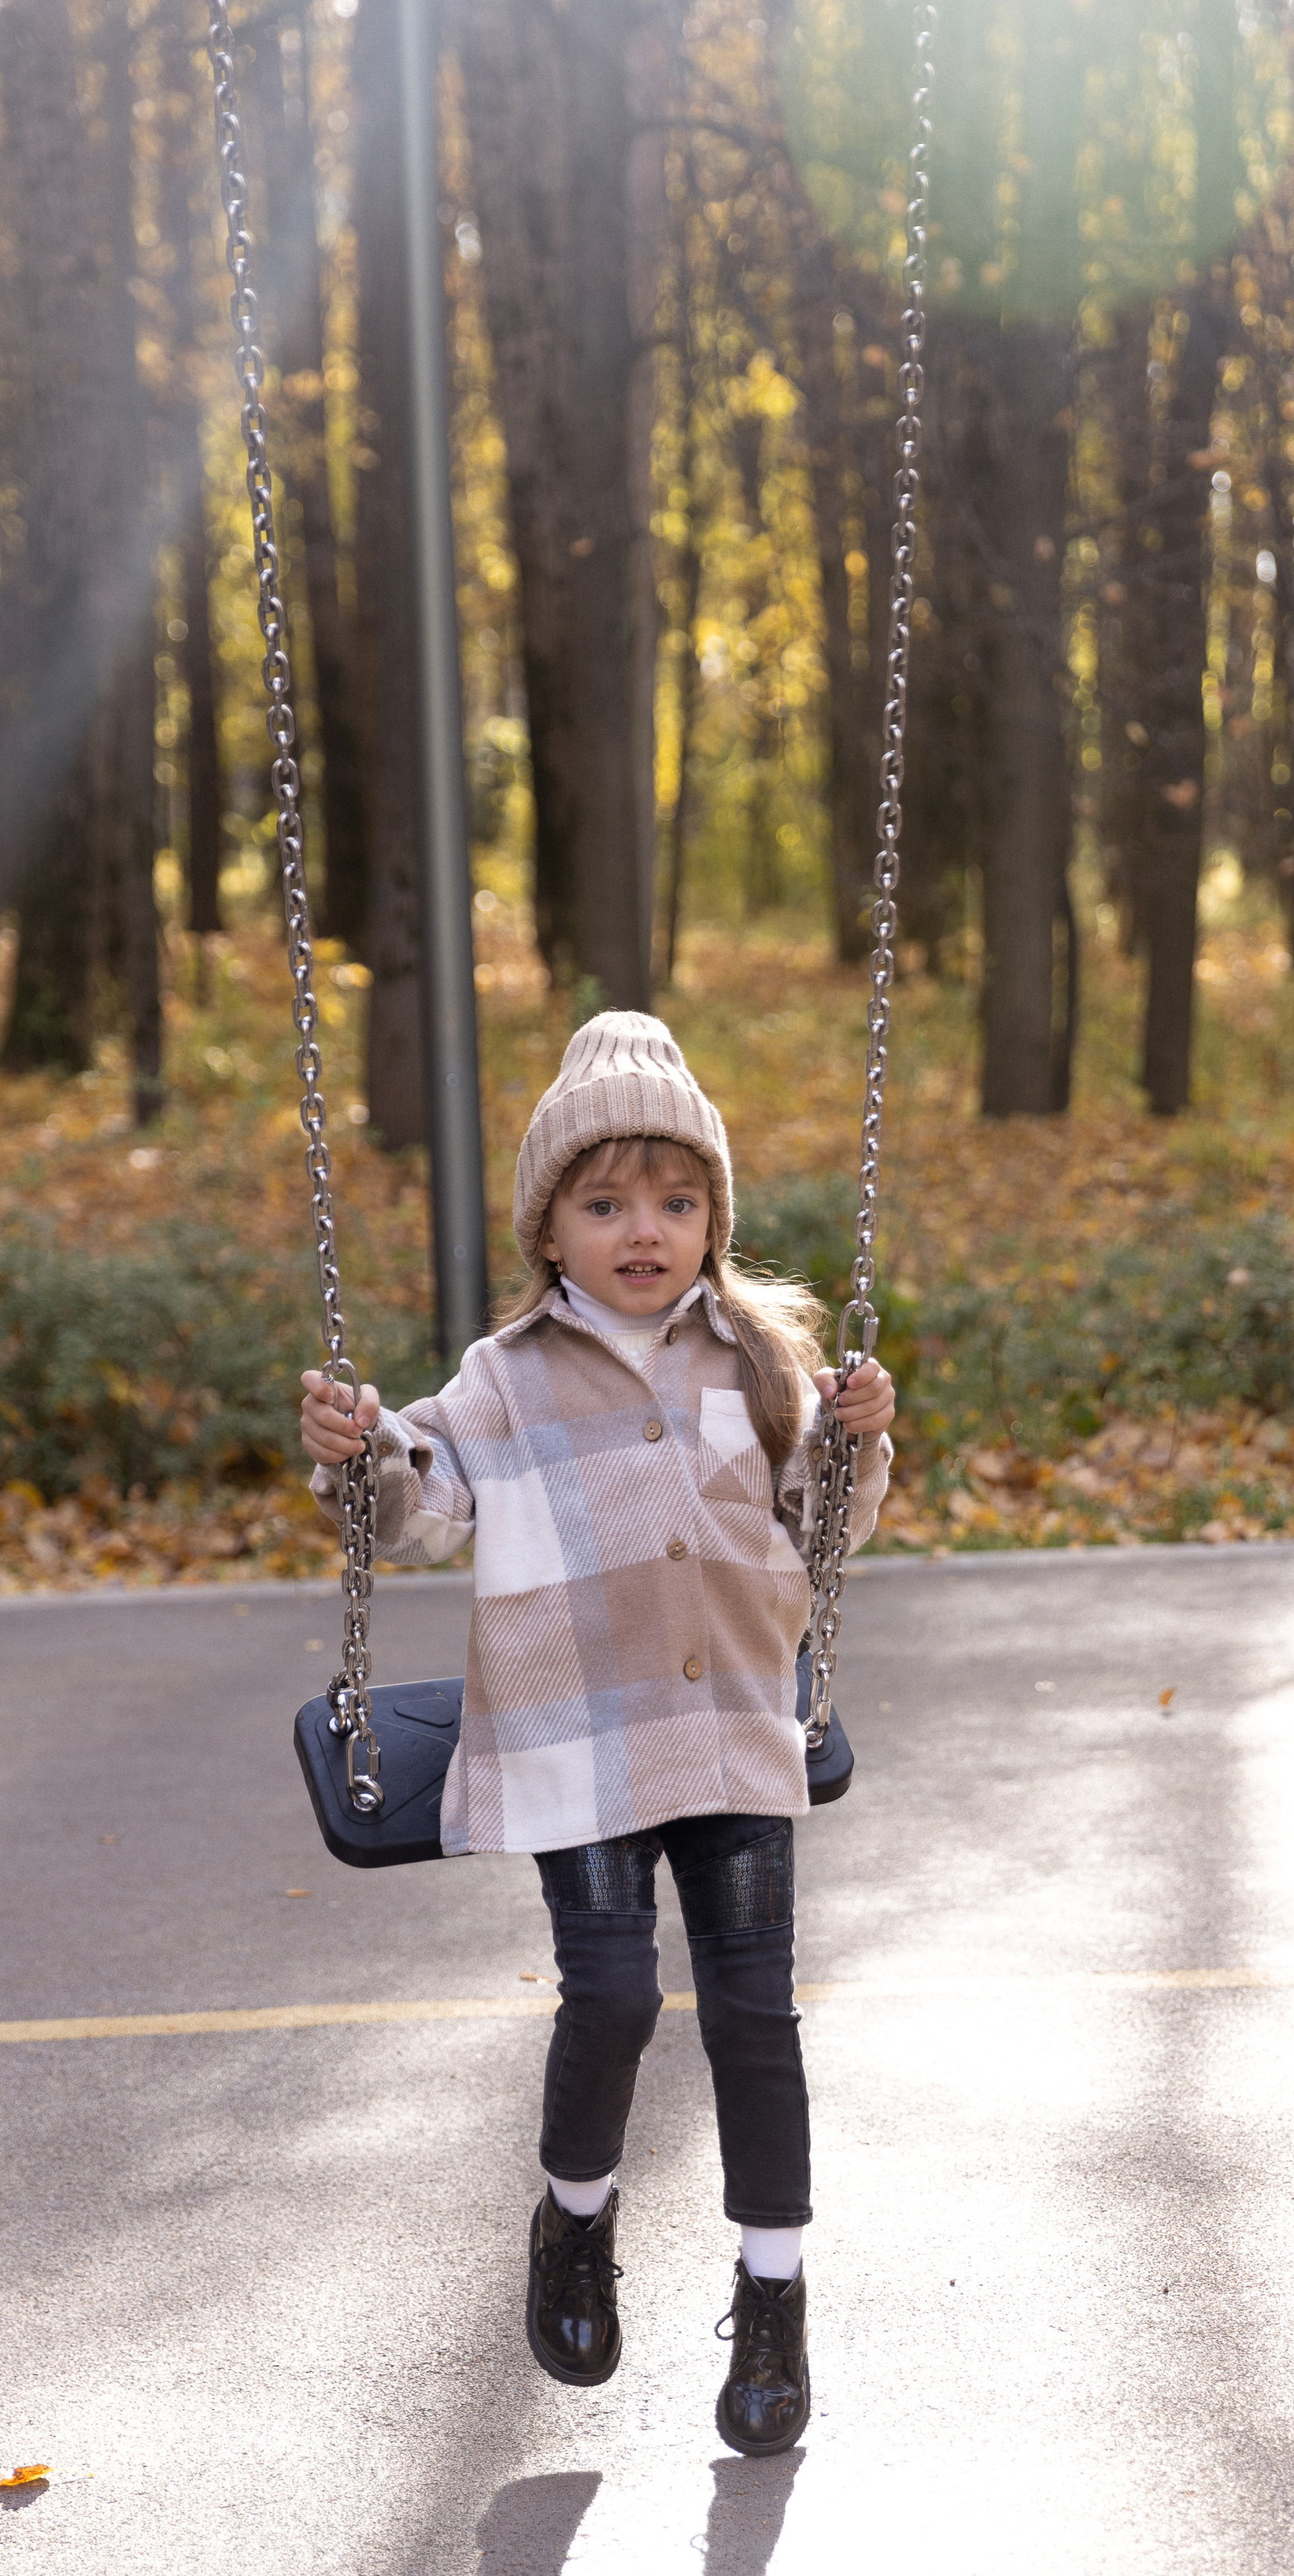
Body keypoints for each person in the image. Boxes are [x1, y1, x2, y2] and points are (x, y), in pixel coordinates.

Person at [298, 1012, 895, 2456]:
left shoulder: (763, 1366)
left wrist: (862, 1438)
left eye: (678, 1202)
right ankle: (575, 2223)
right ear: (549, 1227)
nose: (648, 1231)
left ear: (714, 1218)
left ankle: (774, 2304)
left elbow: (826, 1532)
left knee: (757, 2019)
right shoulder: (503, 1380)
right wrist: (361, 1450)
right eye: (608, 1201)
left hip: (738, 1734)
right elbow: (419, 1501)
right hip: (581, 1753)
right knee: (616, 1999)